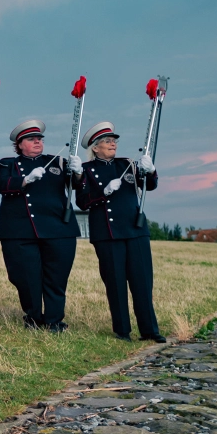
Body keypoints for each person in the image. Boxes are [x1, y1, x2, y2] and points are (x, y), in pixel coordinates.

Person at [75, 121, 164, 342]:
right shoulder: (85, 171)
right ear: (95, 148)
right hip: (107, 234)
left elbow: (149, 186)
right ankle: (122, 330)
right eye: (107, 141)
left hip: (135, 230)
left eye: (114, 141)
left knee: (142, 282)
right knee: (115, 283)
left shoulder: (129, 164)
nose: (112, 144)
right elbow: (83, 202)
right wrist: (103, 192)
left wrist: (151, 170)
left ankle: (150, 330)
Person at [0, 119, 82, 332]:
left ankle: (54, 320)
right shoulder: (7, 165)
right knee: (25, 277)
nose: (37, 142)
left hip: (58, 229)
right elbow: (1, 185)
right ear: (19, 143)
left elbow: (77, 186)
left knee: (56, 277)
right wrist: (24, 180)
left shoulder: (58, 162)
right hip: (20, 232)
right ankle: (32, 316)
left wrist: (78, 171)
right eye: (31, 139)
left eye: (39, 139)